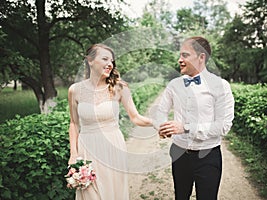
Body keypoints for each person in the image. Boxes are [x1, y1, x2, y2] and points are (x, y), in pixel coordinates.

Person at [67, 43, 153, 199]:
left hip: (113, 148)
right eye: (105, 59)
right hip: (87, 150)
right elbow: (74, 123)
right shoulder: (75, 90)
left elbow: (136, 117)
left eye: (112, 61)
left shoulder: (119, 88)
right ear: (90, 61)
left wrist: (156, 123)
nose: (110, 64)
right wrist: (74, 154)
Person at [154, 36, 234, 200]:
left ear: (201, 57)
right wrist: (162, 126)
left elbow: (223, 126)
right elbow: (160, 112)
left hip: (208, 155)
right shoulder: (174, 85)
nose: (179, 59)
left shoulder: (221, 86)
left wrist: (185, 127)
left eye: (185, 55)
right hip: (179, 153)